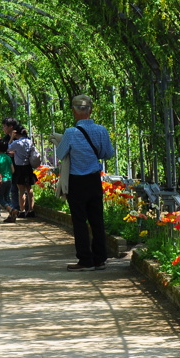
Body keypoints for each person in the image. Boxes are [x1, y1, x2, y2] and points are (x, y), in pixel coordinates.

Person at [56, 94, 115, 272]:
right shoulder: (101, 130)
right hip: (94, 179)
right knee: (97, 219)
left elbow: (60, 154)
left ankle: (85, 260)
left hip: (76, 181)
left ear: (74, 111)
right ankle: (100, 258)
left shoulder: (70, 133)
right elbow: (108, 154)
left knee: (80, 221)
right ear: (91, 110)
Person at [8, 126, 36, 218]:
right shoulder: (29, 141)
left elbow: (8, 148)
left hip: (19, 168)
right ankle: (31, 210)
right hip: (28, 167)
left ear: (17, 133)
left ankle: (22, 210)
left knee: (21, 190)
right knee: (29, 189)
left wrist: (11, 138)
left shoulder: (17, 143)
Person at [0, 139, 15, 221]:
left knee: (0, 198)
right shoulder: (8, 157)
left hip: (2, 180)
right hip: (9, 179)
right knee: (7, 197)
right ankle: (12, 213)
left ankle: (10, 209)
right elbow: (13, 170)